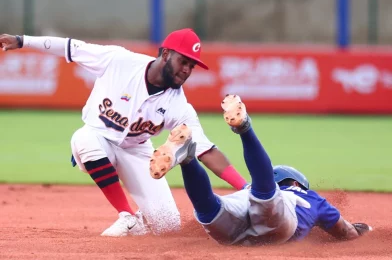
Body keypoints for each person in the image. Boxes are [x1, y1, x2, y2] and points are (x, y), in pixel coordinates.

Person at [0, 29, 249, 237]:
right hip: (97, 138)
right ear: (165, 54)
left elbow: (206, 150)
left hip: (137, 151)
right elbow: (70, 47)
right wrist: (22, 41)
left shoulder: (179, 105)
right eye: (183, 61)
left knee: (168, 227)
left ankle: (141, 223)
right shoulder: (119, 61)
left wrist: (246, 187)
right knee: (84, 139)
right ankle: (127, 215)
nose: (186, 70)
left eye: (191, 65)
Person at [151, 94, 372, 245]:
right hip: (276, 227)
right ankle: (243, 128)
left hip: (240, 207)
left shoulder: (250, 189)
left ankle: (188, 160)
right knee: (265, 196)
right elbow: (346, 232)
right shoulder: (310, 197)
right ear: (295, 183)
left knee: (210, 208)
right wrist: (361, 230)